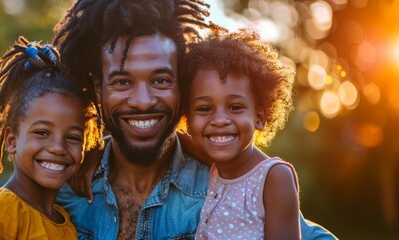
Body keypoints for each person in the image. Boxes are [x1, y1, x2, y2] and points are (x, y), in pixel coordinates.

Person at [53, 0, 337, 239]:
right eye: (122, 82)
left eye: (161, 80)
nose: (142, 101)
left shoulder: (226, 188)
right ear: (98, 88)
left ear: (183, 89)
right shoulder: (63, 187)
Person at [0, 36, 102, 239]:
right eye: (42, 133)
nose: (58, 147)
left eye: (73, 137)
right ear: (11, 140)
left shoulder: (66, 223)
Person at [182, 30, 299, 239]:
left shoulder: (274, 178)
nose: (219, 120)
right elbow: (175, 142)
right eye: (204, 109)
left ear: (259, 117)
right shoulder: (215, 169)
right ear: (188, 121)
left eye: (235, 107)